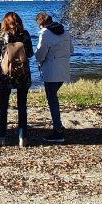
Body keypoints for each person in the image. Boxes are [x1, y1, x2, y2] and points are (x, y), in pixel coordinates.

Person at [0, 11, 34, 148]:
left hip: (6, 74)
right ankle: (22, 137)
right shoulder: (25, 34)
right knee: (22, 106)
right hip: (23, 74)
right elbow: (30, 53)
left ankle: (1, 136)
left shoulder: (0, 34)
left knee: (3, 106)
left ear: (5, 22)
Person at [35, 12, 73, 143]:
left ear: (41, 23)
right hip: (64, 69)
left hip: (51, 70)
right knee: (54, 97)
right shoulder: (65, 32)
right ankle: (58, 126)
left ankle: (58, 130)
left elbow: (40, 55)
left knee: (52, 100)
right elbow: (71, 50)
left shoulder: (45, 34)